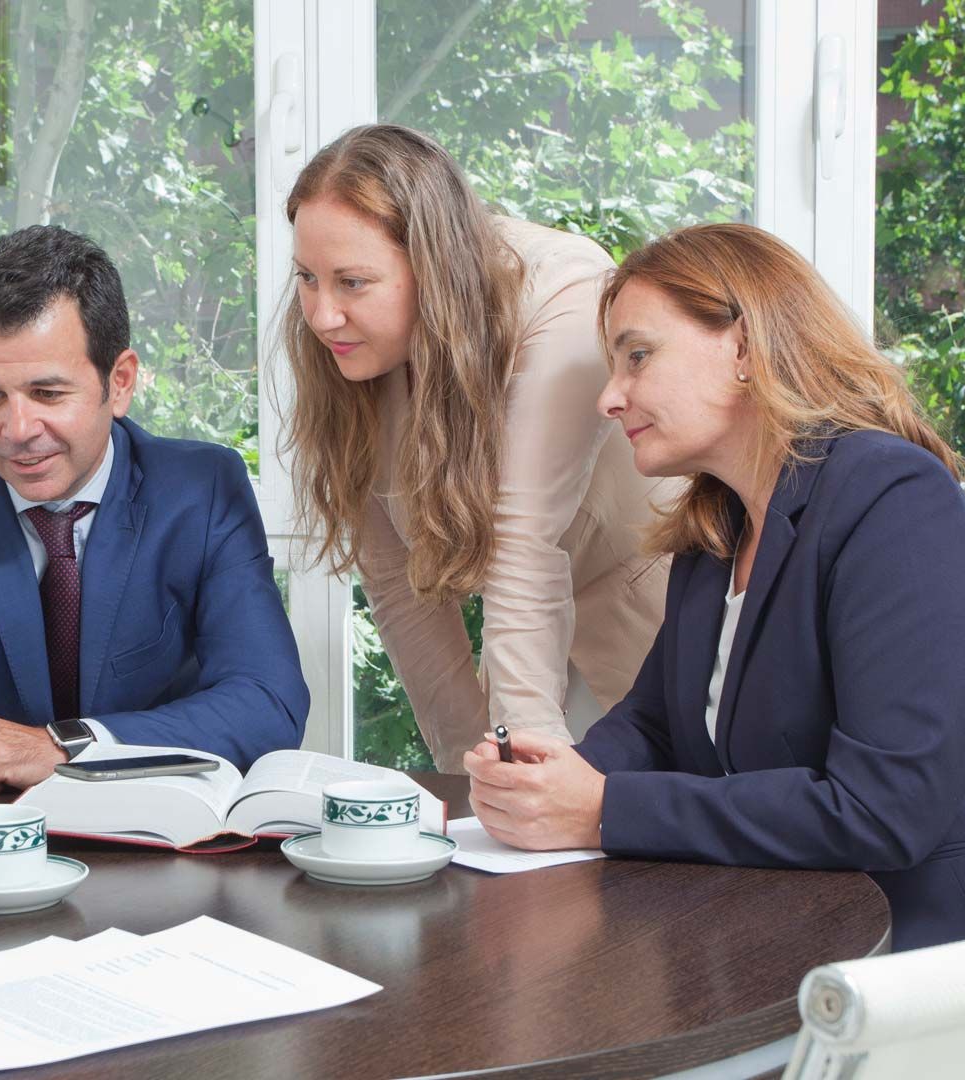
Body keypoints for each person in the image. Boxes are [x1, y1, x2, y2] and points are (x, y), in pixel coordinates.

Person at [463, 223, 965, 950]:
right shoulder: (716, 530)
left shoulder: (896, 500)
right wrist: (556, 776)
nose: (610, 398)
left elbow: (884, 810)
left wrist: (602, 806)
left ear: (746, 348)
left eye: (638, 357)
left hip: (944, 969)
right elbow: (657, 726)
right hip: (782, 949)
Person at [0, 225, 307, 810]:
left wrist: (66, 744)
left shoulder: (203, 491)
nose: (17, 431)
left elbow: (267, 701)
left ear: (119, 383)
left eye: (47, 393)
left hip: (158, 834)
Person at [283, 124, 680, 772]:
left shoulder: (564, 294)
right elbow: (398, 587)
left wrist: (525, 774)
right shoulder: (348, 352)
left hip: (649, 616)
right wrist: (470, 776)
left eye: (353, 282)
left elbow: (521, 543)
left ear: (432, 267)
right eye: (307, 277)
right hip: (528, 633)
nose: (323, 315)